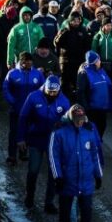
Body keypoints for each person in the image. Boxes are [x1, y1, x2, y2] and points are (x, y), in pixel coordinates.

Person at [49, 104, 103, 222]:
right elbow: (54, 156)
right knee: (65, 216)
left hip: (85, 182)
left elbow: (95, 154)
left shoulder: (89, 130)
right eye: (77, 119)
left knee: (86, 216)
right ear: (71, 118)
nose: (80, 122)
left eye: (82, 119)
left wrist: (98, 175)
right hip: (67, 181)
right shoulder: (59, 131)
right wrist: (57, 176)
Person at [18, 75, 70, 213]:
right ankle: (29, 196)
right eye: (49, 91)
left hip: (54, 141)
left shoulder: (64, 102)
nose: (52, 94)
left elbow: (68, 124)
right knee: (33, 169)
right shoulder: (33, 97)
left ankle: (49, 202)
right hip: (36, 139)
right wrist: (21, 138)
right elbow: (23, 118)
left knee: (54, 172)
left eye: (55, 92)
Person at [3, 52, 45, 165]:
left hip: (31, 111)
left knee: (28, 131)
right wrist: (13, 102)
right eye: (25, 61)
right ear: (20, 61)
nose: (28, 63)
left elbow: (43, 89)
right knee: (14, 132)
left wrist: (38, 104)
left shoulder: (37, 74)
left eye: (30, 61)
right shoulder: (12, 73)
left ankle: (23, 152)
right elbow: (6, 89)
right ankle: (12, 156)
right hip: (16, 109)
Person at [76, 50, 112, 138]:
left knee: (102, 127)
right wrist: (85, 108)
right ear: (95, 62)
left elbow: (108, 86)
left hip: (103, 108)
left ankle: (98, 144)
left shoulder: (101, 70)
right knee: (92, 130)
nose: (100, 61)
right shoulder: (84, 73)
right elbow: (81, 92)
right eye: (98, 60)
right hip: (92, 109)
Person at [54, 11, 92, 102]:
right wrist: (62, 35)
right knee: (65, 84)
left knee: (78, 83)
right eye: (74, 20)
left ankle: (78, 103)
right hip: (66, 61)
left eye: (78, 20)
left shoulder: (83, 30)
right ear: (70, 21)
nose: (76, 22)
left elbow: (87, 46)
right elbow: (56, 43)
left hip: (79, 61)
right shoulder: (64, 30)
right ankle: (64, 102)